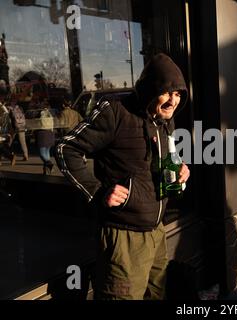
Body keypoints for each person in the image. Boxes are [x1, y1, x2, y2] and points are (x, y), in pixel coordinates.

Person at [55, 53, 190, 300]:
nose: (173, 100)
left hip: (157, 232)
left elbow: (153, 164)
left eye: (179, 94)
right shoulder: (115, 113)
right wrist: (97, 191)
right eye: (167, 92)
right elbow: (66, 148)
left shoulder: (163, 121)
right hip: (124, 238)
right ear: (150, 90)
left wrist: (180, 169)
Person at [35, 99, 55, 175]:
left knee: (42, 153)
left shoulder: (41, 113)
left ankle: (50, 165)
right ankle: (47, 170)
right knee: (47, 152)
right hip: (50, 133)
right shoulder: (50, 113)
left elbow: (37, 122)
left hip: (43, 134)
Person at [7, 93, 29, 161]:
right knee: (23, 141)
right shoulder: (20, 107)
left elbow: (7, 117)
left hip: (12, 127)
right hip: (21, 126)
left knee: (9, 142)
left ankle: (7, 154)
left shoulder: (8, 107)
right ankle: (26, 155)